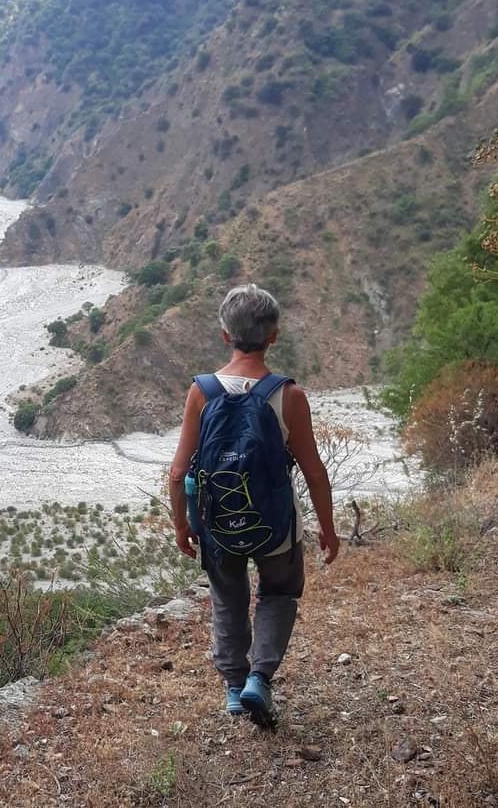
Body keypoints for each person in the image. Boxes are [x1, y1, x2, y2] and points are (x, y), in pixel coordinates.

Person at [168, 284, 340, 724]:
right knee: (278, 593)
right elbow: (314, 472)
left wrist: (182, 525)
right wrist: (328, 528)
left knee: (227, 598)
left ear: (225, 335)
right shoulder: (289, 395)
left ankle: (233, 685)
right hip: (277, 524)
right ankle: (259, 679)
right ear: (273, 336)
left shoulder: (202, 391)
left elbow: (178, 472)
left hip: (218, 524)